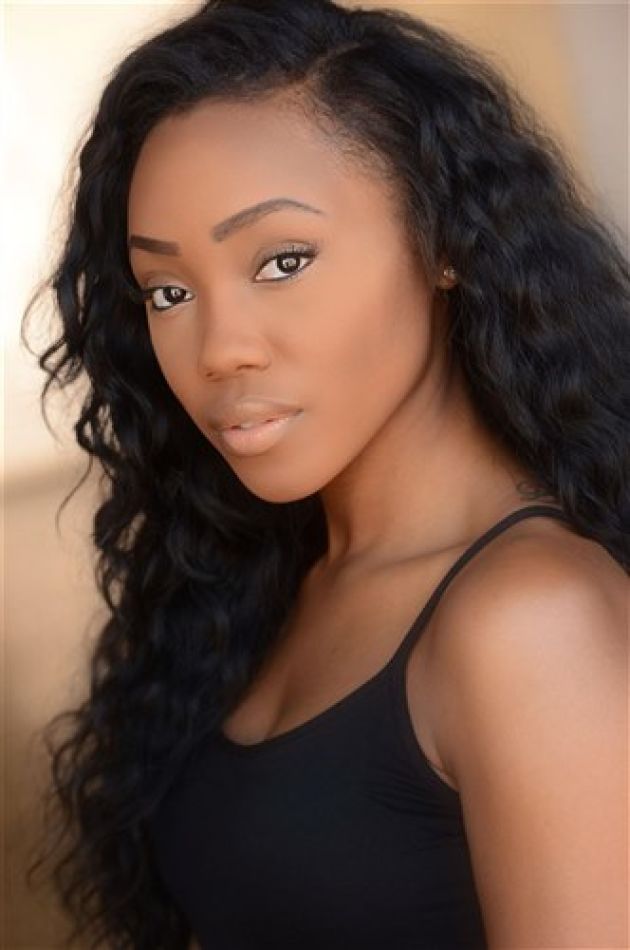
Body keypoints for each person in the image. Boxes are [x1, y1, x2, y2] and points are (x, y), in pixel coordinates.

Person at [22, 0, 629, 947]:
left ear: (445, 243)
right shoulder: (263, 579)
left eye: (283, 261)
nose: (220, 349)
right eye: (169, 291)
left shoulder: (531, 622)